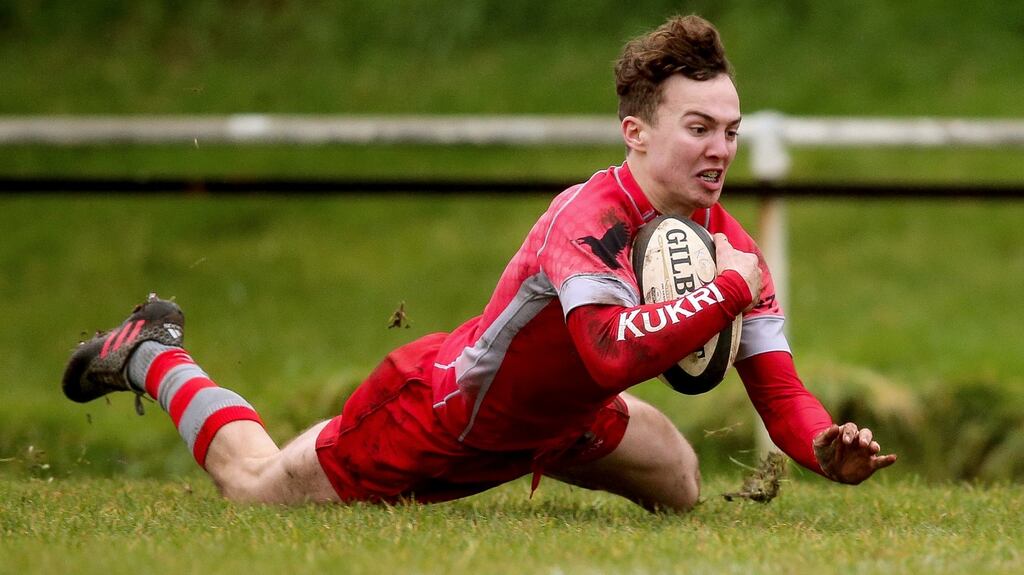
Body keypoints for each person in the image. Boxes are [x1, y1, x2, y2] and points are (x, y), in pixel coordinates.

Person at [62, 14, 896, 512]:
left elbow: (776, 385)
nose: (721, 150)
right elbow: (614, 352)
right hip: (445, 413)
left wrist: (823, 444)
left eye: (731, 129)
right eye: (699, 128)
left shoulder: (731, 247)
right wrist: (725, 288)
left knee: (680, 485)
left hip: (569, 416)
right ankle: (152, 350)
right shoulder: (590, 218)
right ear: (636, 132)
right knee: (257, 485)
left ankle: (553, 440)